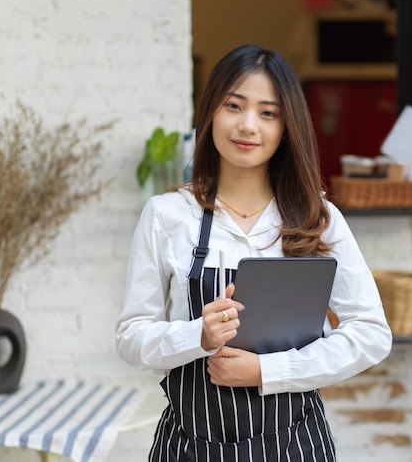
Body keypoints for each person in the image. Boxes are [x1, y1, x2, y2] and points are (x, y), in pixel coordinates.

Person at [115, 43, 392, 461]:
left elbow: (371, 334)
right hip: (190, 447)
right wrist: (198, 335)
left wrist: (268, 372)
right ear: (211, 111)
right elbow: (131, 336)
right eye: (234, 106)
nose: (248, 125)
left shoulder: (319, 218)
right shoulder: (167, 216)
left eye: (267, 113)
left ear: (286, 127)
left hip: (295, 445)